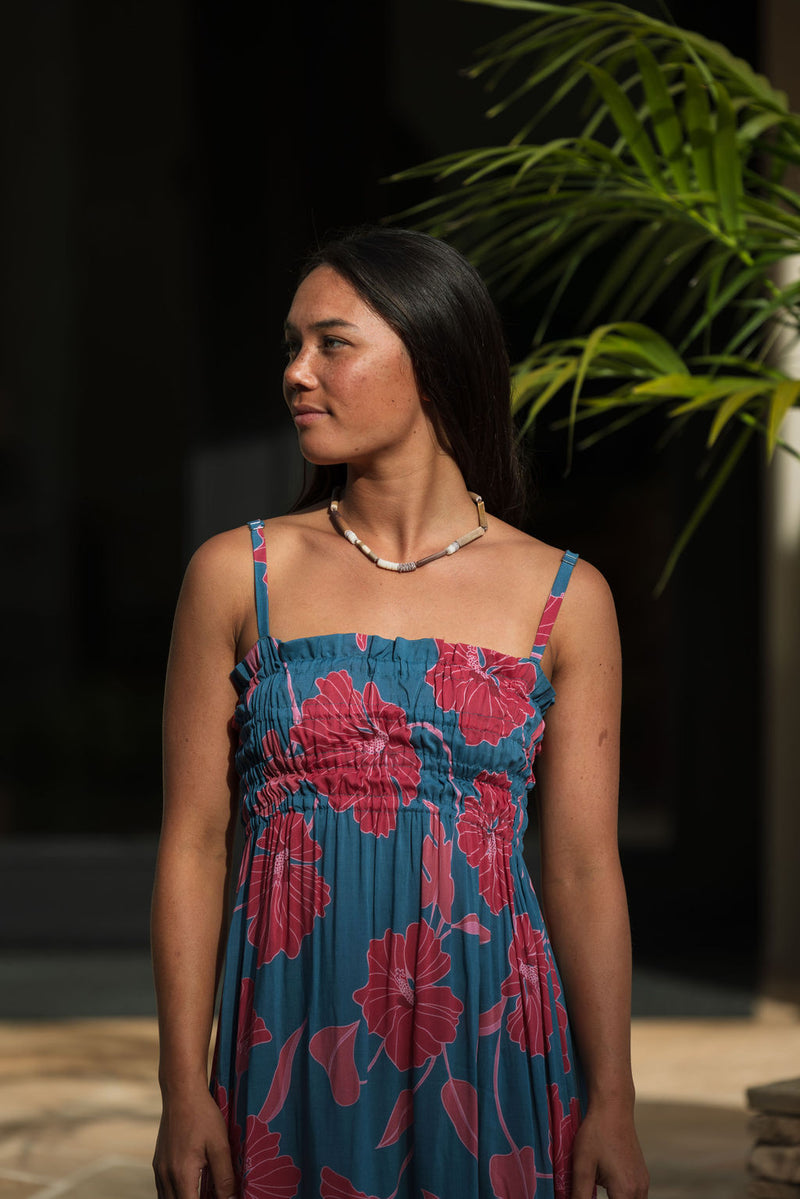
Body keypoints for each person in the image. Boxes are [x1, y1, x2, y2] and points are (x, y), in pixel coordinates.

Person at [151, 227, 649, 1199]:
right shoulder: (237, 574)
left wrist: (612, 1102)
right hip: (289, 1037)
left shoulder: (562, 594)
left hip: (489, 1040)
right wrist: (181, 1083)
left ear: (432, 356)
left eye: (331, 343)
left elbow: (583, 864)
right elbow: (193, 842)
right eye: (291, 346)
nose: (297, 374)